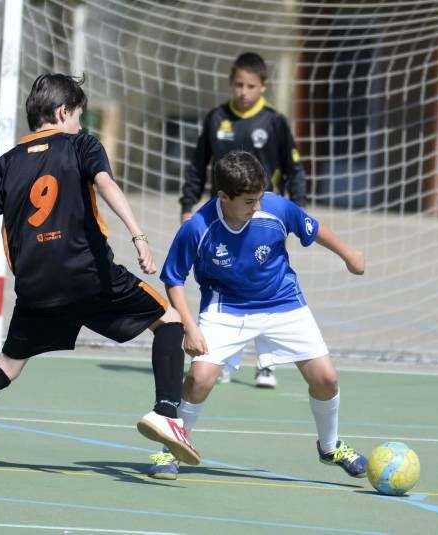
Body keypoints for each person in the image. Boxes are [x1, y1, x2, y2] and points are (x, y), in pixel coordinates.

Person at [0, 73, 199, 470]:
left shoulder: (9, 162)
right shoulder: (81, 145)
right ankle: (167, 414)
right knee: (169, 320)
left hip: (37, 289)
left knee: (6, 367)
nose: (80, 124)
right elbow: (107, 185)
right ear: (63, 112)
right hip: (89, 276)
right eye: (78, 116)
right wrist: (139, 236)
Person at [147, 150, 366, 480]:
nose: (257, 207)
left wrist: (350, 255)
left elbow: (313, 228)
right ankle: (172, 448)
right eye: (249, 201)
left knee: (326, 379)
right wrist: (189, 327)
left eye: (259, 198)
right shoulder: (197, 228)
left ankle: (330, 446)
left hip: (283, 302)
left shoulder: (275, 208)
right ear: (224, 197)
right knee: (200, 379)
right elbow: (173, 278)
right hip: (226, 309)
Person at [179, 51, 309, 388]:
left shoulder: (274, 122)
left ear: (263, 86)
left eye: (250, 85)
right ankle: (220, 356)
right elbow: (197, 165)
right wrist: (187, 203)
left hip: (262, 219)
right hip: (221, 219)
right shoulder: (216, 118)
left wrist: (299, 206)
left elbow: (294, 168)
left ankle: (267, 363)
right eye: (238, 84)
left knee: (266, 283)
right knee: (223, 279)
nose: (243, 91)